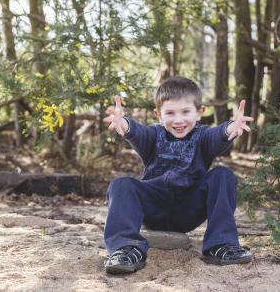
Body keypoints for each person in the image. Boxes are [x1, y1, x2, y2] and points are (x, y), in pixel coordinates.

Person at [103, 76, 253, 275]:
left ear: (200, 112)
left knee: (223, 174)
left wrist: (230, 128)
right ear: (158, 114)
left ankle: (221, 245)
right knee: (121, 184)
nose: (178, 120)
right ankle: (126, 248)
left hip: (188, 209)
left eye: (185, 112)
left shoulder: (203, 136)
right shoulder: (153, 135)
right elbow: (138, 133)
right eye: (170, 113)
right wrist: (125, 124)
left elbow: (217, 136)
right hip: (154, 208)